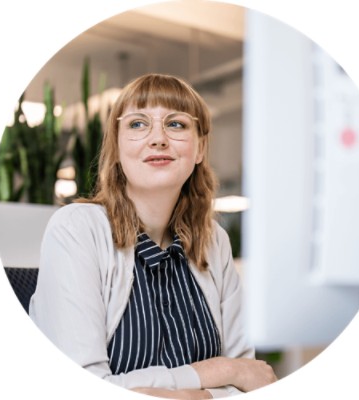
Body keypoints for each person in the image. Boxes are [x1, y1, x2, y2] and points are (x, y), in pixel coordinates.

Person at [29, 73, 277, 398]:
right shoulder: (77, 229)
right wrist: (214, 372)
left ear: (200, 147)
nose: (158, 138)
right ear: (116, 147)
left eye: (176, 124)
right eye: (137, 124)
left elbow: (250, 381)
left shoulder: (213, 239)